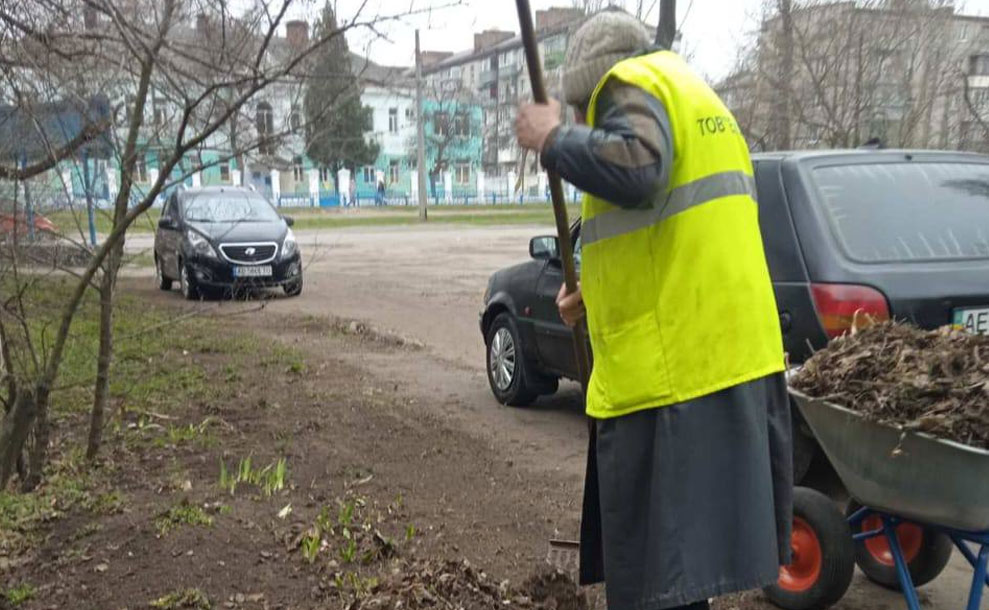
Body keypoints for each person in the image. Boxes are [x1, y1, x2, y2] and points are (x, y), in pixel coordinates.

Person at [515, 11, 792, 610]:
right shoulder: (695, 97)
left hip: (676, 380)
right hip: (726, 365)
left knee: (654, 587)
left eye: (582, 109)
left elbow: (639, 166)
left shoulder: (630, 81)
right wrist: (594, 295)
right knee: (676, 585)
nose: (586, 119)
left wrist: (554, 137)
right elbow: (677, 237)